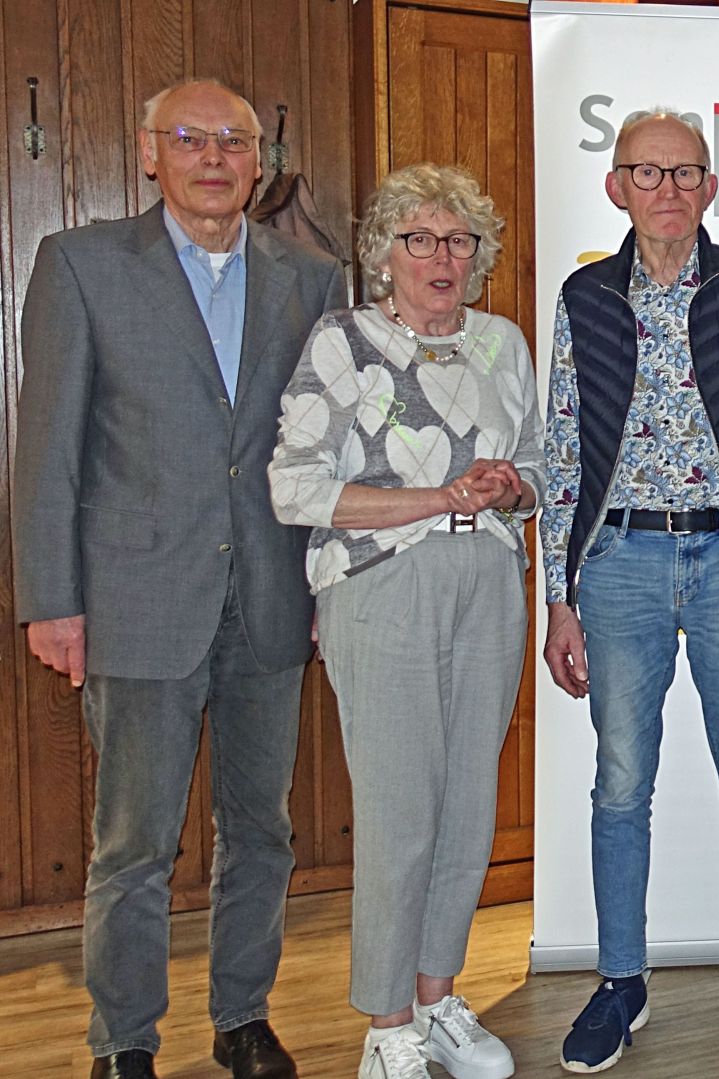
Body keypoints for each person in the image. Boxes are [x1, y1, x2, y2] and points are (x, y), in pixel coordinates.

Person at [11, 78, 344, 1079]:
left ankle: (244, 1017)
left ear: (260, 161)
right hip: (137, 602)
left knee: (262, 831)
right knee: (134, 843)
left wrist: (327, 584)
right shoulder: (81, 264)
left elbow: (325, 448)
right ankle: (125, 1038)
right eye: (190, 138)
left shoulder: (312, 278)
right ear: (149, 152)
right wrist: (50, 600)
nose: (213, 157)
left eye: (233, 140)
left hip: (272, 601)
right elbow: (48, 449)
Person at [539, 109, 719, 1075]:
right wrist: (559, 596)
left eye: (686, 172)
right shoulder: (584, 297)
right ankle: (621, 981)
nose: (668, 190)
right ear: (617, 186)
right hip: (619, 564)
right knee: (621, 784)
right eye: (648, 173)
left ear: (710, 186)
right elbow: (563, 449)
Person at [268, 162, 538, 1079]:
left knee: (468, 804)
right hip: (381, 581)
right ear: (385, 254)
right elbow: (295, 486)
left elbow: (540, 467)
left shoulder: (502, 343)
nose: (442, 257)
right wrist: (437, 496)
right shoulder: (344, 341)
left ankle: (437, 996)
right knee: (398, 809)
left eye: (460, 240)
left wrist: (509, 485)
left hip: (488, 580)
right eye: (420, 239)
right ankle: (386, 1025)